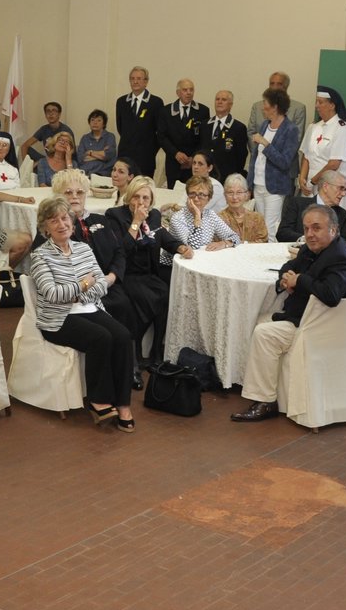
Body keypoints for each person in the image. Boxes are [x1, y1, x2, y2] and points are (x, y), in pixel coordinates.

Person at [233, 204, 346, 421]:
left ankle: (266, 401)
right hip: (307, 318)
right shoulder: (310, 249)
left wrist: (300, 280)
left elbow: (330, 295)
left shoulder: (341, 257)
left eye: (316, 228)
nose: (310, 234)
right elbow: (288, 266)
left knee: (264, 334)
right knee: (255, 320)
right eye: (306, 228)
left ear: (333, 229)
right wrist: (286, 279)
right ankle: (267, 391)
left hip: (326, 326)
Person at [29, 196, 137, 431]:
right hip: (58, 319)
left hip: (89, 309)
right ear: (45, 227)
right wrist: (83, 286)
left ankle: (123, 403)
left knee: (123, 336)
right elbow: (52, 294)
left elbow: (101, 284)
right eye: (53, 220)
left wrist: (81, 291)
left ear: (72, 221)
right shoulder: (39, 256)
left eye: (65, 218)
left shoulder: (83, 248)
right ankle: (98, 399)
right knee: (102, 337)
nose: (61, 224)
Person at [102, 175, 175, 365]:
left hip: (148, 272)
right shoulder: (114, 215)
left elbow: (163, 236)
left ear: (151, 201)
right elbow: (121, 249)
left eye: (145, 198)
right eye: (136, 197)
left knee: (166, 294)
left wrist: (181, 247)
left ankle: (156, 349)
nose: (140, 202)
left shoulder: (155, 215)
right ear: (129, 196)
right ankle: (134, 353)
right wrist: (135, 222)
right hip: (126, 273)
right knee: (141, 298)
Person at [249, 87, 300, 239]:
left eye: (265, 103)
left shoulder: (291, 129)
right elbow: (255, 158)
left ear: (275, 107)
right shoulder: (265, 125)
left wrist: (265, 144)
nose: (262, 107)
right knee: (259, 228)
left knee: (270, 229)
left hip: (275, 188)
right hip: (258, 184)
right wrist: (249, 182)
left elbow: (285, 162)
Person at [299, 85, 346, 210]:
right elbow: (306, 156)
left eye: (321, 102)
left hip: (331, 185)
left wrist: (313, 181)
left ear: (332, 105)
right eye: (316, 102)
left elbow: (334, 164)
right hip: (310, 185)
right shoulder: (313, 127)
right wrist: (302, 178)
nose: (316, 105)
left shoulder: (342, 128)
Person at [166, 176, 240, 258]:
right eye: (192, 194)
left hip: (202, 260)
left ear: (209, 198)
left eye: (201, 195)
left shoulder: (210, 215)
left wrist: (223, 243)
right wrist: (197, 217)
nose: (196, 199)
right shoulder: (178, 218)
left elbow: (235, 237)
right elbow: (193, 248)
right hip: (175, 264)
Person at [115, 66, 164, 188]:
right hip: (125, 154)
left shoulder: (156, 102)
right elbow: (120, 127)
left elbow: (160, 131)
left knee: (143, 190)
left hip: (145, 156)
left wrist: (150, 149)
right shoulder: (121, 102)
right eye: (132, 78)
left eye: (139, 78)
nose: (135, 81)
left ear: (146, 82)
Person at [158, 77, 208, 188]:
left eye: (191, 90)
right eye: (185, 90)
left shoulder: (203, 111)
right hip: (173, 161)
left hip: (194, 164)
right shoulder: (166, 111)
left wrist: (193, 157)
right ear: (178, 92)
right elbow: (161, 136)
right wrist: (176, 153)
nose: (189, 93)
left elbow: (204, 138)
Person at [277, 171, 346, 242]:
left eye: (345, 190)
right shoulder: (297, 204)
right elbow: (282, 233)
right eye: (341, 188)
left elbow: (345, 243)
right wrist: (306, 239)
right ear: (325, 187)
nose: (343, 194)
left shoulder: (343, 215)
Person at [246, 71, 309, 145]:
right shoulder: (257, 107)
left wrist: (272, 153)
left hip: (284, 155)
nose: (275, 87)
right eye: (272, 83)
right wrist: (259, 152)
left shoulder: (298, 108)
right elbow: (251, 133)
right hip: (259, 154)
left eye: (279, 84)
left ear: (286, 86)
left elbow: (296, 139)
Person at [204, 89, 250, 182]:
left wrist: (233, 176)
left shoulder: (238, 128)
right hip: (206, 176)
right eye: (217, 99)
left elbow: (241, 155)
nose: (219, 102)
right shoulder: (205, 125)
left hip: (227, 177)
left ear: (230, 105)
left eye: (224, 100)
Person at [219, 174, 268, 244]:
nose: (235, 197)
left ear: (247, 195)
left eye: (239, 192)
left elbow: (263, 241)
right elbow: (217, 243)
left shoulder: (257, 218)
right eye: (230, 192)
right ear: (224, 195)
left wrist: (240, 243)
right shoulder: (218, 218)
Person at [75, 109, 118, 177]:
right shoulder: (85, 138)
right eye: (92, 120)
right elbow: (81, 158)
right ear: (89, 123)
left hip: (104, 174)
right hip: (86, 173)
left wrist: (90, 153)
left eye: (99, 120)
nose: (95, 122)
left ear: (104, 124)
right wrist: (101, 154)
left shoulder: (110, 136)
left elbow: (109, 155)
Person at [186, 151, 225, 216]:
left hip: (213, 223)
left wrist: (173, 206)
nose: (195, 167)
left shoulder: (215, 186)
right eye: (194, 163)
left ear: (209, 168)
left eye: (200, 164)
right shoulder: (192, 184)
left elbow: (198, 210)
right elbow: (182, 204)